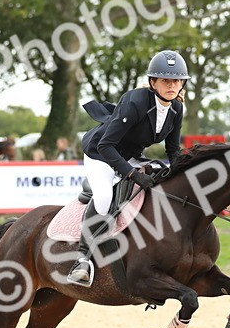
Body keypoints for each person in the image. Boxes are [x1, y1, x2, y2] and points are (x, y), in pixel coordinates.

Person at [66, 49, 187, 286]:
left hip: (131, 155)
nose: (172, 85)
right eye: (166, 80)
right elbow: (106, 145)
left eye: (176, 81)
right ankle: (82, 260)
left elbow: (173, 151)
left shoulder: (176, 109)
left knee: (159, 183)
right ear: (153, 82)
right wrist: (131, 173)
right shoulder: (135, 101)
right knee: (103, 199)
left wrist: (182, 175)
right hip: (100, 153)